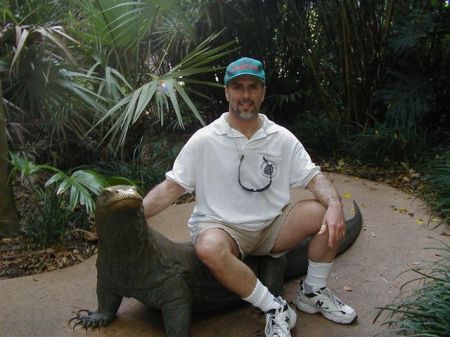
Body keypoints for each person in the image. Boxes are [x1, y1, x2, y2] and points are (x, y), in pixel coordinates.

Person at [143, 57, 357, 337]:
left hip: (273, 227)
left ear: (263, 91)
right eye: (238, 87)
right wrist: (131, 213)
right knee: (208, 246)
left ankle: (313, 291)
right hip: (224, 228)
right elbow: (172, 187)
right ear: (227, 92)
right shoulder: (205, 139)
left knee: (325, 212)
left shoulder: (281, 137)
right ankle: (274, 307)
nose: (246, 95)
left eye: (253, 87)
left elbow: (314, 178)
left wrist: (334, 204)